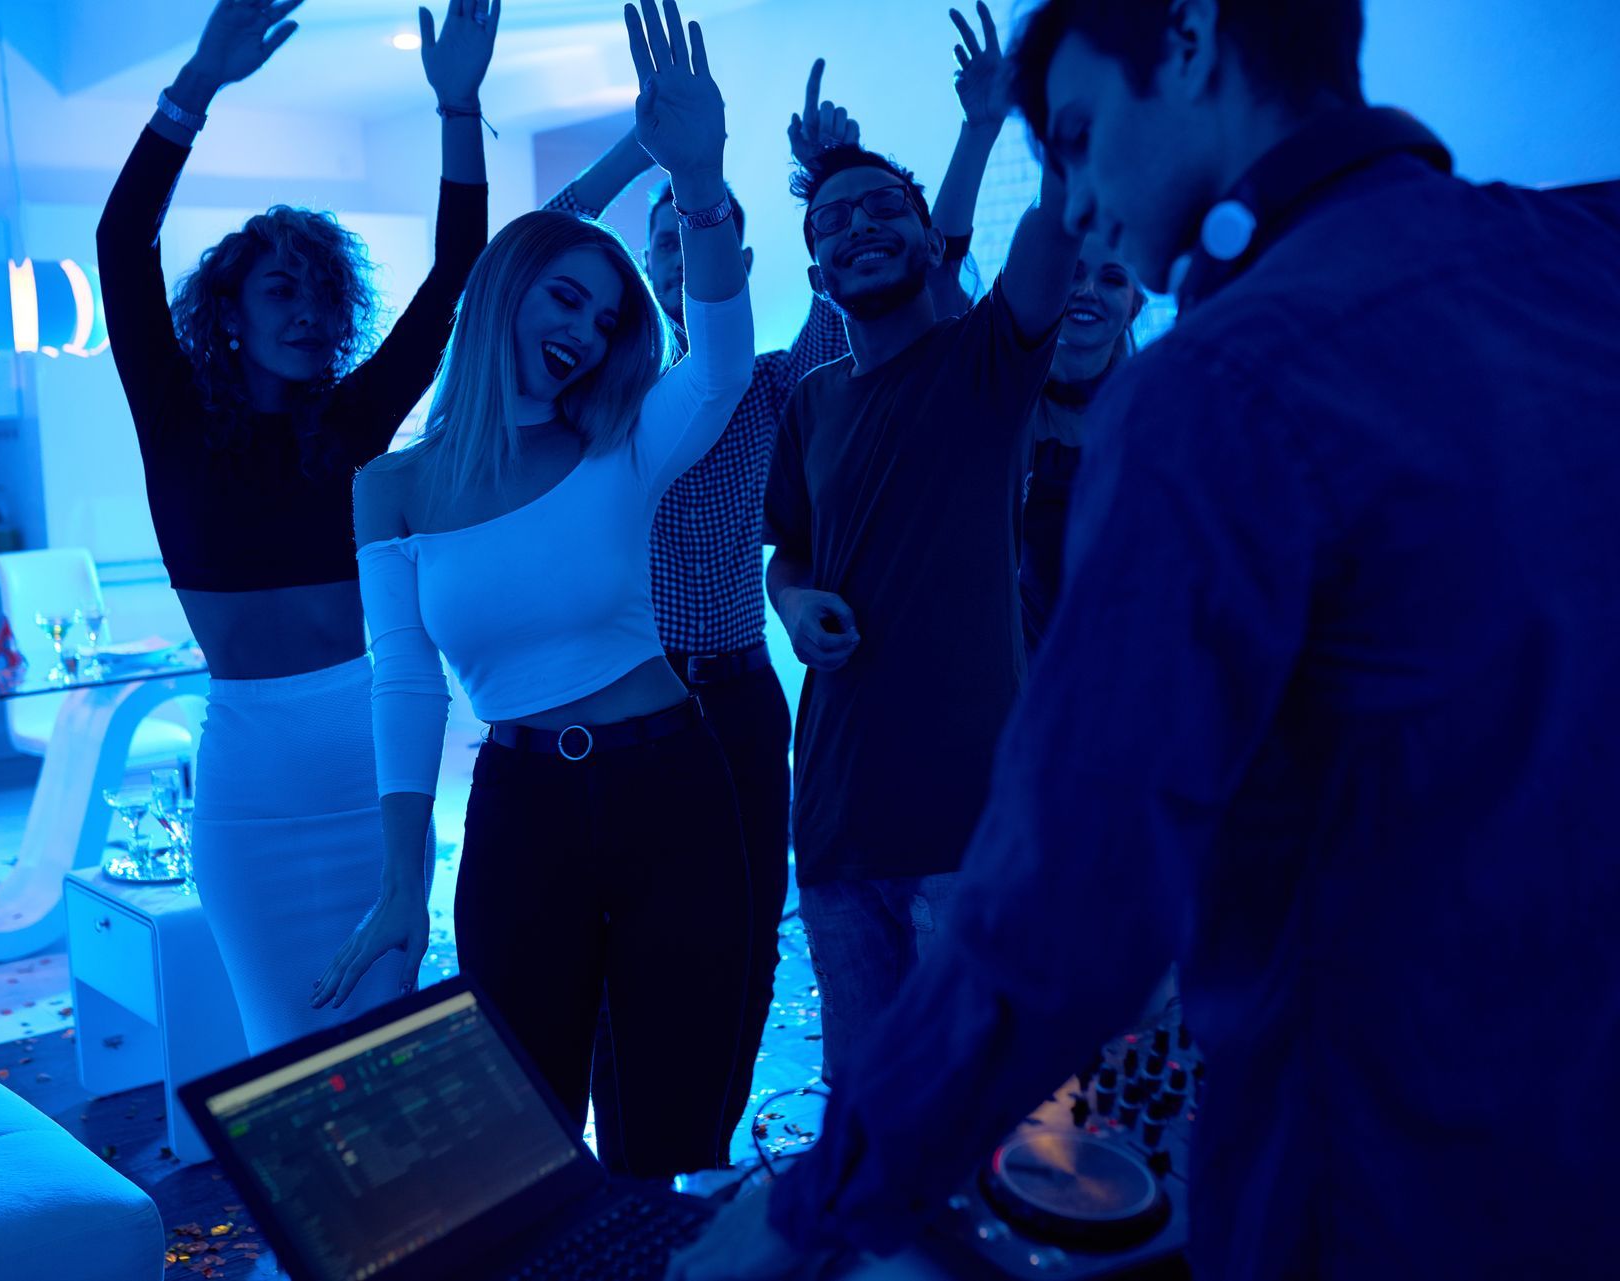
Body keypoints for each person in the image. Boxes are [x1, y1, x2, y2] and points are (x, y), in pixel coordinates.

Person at [670, 0, 1620, 1276]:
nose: (1073, 192)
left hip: (1387, 1171)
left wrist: (806, 1213)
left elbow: (1075, 898)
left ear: (1189, 46)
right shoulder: (1574, 249)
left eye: (1073, 134)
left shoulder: (1219, 387)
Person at [314, 0, 759, 1180]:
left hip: (673, 792)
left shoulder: (622, 444)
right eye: (563, 296)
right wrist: (399, 889)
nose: (584, 329)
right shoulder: (392, 489)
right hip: (518, 819)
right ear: (506, 291)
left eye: (606, 317)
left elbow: (717, 364)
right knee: (519, 1142)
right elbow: (405, 688)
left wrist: (701, 183)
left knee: (668, 1133)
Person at [95, 0, 496, 1053]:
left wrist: (458, 107)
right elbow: (120, 238)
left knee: (396, 1041)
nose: (310, 311)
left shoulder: (359, 419)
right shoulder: (176, 418)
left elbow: (459, 271)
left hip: (374, 767)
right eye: (283, 290)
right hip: (250, 790)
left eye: (325, 293)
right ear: (229, 313)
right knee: (286, 1053)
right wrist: (195, 87)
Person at [536, 59, 869, 1166]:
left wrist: (825, 166)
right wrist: (651, 151)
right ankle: (631, 1166)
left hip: (730, 696)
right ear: (648, 268)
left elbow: (847, 319)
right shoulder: (591, 402)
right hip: (617, 700)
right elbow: (535, 247)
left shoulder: (775, 386)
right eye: (666, 241)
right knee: (628, 945)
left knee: (743, 931)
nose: (682, 253)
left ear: (737, 259)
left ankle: (703, 1148)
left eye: (697, 236)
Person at [763, 1, 1081, 1080]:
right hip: (839, 829)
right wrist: (795, 605)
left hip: (973, 835)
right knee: (870, 1126)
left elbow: (1055, 228)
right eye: (833, 221)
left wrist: (1011, 116)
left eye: (882, 208)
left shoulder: (987, 365)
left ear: (927, 232)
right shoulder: (808, 402)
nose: (859, 227)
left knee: (997, 1123)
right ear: (814, 275)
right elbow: (788, 555)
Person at [1018, 233, 1144, 654]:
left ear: (1134, 306)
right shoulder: (1002, 407)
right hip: (1018, 682)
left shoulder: (1156, 419)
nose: (1087, 292)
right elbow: (945, 274)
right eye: (1073, 275)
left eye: (1111, 280)